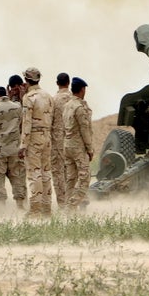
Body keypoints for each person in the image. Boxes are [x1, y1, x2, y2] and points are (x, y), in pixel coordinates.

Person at [18, 67, 55, 217]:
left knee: (34, 174)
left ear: (26, 80)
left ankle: (35, 209)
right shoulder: (48, 96)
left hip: (33, 138)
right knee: (46, 172)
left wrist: (23, 145)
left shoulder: (29, 98)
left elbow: (26, 123)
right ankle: (47, 208)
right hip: (47, 137)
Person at [0, 86, 27, 208]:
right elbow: (23, 122)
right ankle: (20, 205)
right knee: (18, 178)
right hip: (14, 150)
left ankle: (1, 207)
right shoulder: (17, 107)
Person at [62, 77, 93, 211]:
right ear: (82, 90)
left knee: (71, 178)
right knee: (85, 177)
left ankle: (69, 208)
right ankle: (72, 204)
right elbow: (84, 129)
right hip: (78, 146)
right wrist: (90, 148)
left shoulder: (67, 105)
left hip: (67, 145)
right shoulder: (79, 108)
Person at [50, 72, 72, 208]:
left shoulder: (53, 100)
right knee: (72, 172)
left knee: (58, 173)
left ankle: (62, 204)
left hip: (57, 143)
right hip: (72, 141)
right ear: (68, 83)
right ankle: (74, 203)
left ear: (57, 83)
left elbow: (49, 121)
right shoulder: (74, 99)